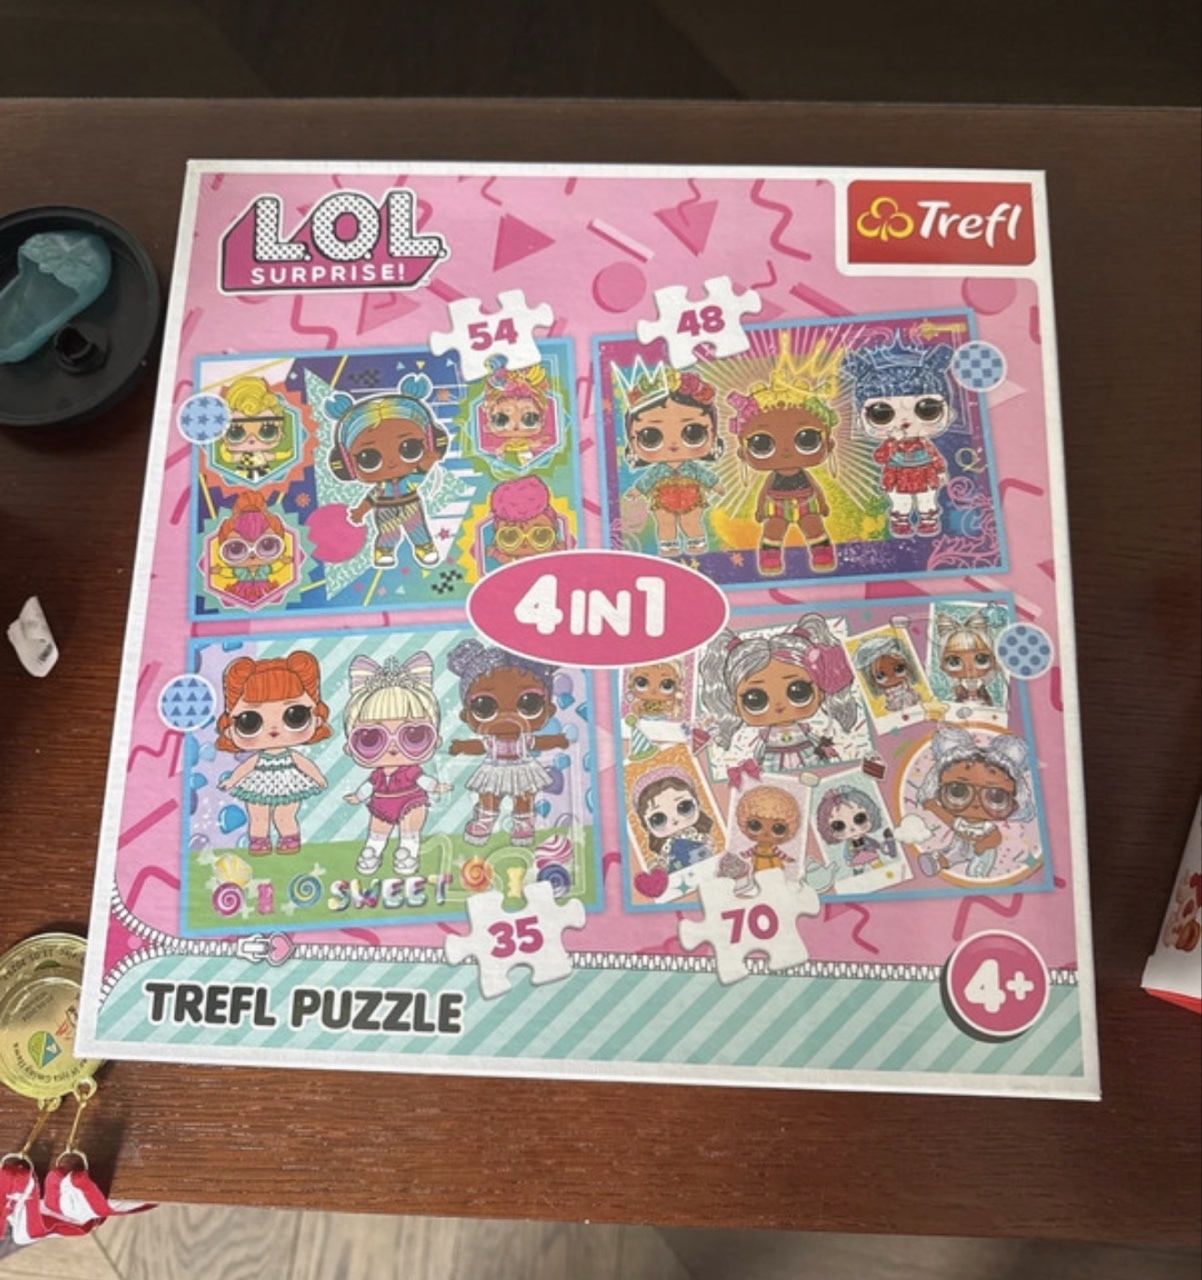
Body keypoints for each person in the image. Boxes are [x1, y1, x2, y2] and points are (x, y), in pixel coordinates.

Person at [447, 639, 568, 846]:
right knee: (488, 795)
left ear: (549, 710)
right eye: (484, 706)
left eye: (529, 703)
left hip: (522, 769)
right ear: (466, 715)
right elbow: (480, 746)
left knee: (523, 796)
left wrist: (556, 740)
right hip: (493, 770)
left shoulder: (524, 739)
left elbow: (537, 743)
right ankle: (484, 820)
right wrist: (462, 747)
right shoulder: (492, 741)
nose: (507, 717)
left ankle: (523, 824)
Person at [341, 652, 451, 877]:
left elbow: (422, 780)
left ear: (435, 740)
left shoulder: (410, 770)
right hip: (382, 802)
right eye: (371, 739)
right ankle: (372, 851)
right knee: (377, 829)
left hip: (411, 800)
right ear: (350, 746)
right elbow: (369, 786)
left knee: (411, 828)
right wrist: (358, 796)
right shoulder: (378, 775)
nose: (393, 748)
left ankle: (408, 852)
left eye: (414, 736)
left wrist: (435, 786)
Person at [215, 651, 330, 853]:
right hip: (258, 783)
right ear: (229, 728)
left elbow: (304, 764)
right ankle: (259, 841)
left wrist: (318, 778)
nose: (273, 729)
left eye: (295, 716)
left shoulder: (292, 756)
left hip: (288, 783)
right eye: (249, 721)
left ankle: (289, 838)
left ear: (317, 718)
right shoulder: (257, 758)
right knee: (257, 815)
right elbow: (246, 767)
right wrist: (232, 780)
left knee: (284, 815)